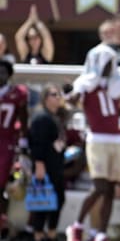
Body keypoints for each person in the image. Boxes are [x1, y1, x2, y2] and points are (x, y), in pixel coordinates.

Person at [66, 20, 120, 241]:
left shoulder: (114, 85)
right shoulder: (85, 84)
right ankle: (76, 225)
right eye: (107, 61)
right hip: (97, 139)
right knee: (99, 186)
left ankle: (101, 233)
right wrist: (72, 96)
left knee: (109, 189)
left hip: (115, 139)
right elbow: (72, 98)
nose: (109, 65)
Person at [29, 83, 66, 241]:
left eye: (59, 94)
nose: (58, 97)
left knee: (58, 199)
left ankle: (50, 232)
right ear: (45, 98)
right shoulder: (41, 117)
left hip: (55, 164)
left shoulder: (53, 116)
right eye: (53, 94)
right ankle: (38, 234)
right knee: (42, 200)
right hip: (45, 165)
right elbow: (37, 142)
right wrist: (39, 164)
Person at [0, 60, 28, 238]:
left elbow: (24, 118)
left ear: (9, 75)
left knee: (1, 185)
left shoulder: (17, 93)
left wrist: (23, 141)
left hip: (5, 143)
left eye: (2, 72)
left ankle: (2, 225)